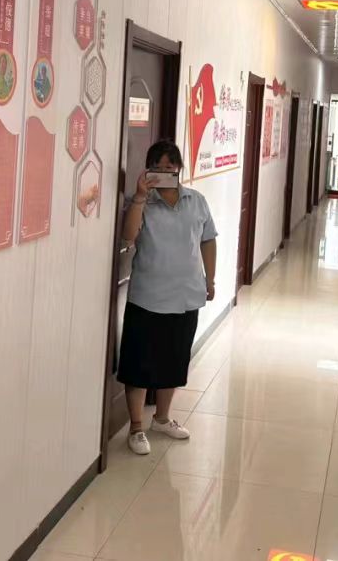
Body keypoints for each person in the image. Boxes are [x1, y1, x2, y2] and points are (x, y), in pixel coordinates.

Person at [119, 140, 218, 456]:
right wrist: (139, 196)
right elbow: (128, 235)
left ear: (179, 169)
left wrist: (210, 279)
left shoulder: (196, 201)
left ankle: (161, 419)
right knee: (139, 363)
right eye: (157, 167)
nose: (163, 173)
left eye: (169, 167)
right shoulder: (142, 202)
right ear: (148, 169)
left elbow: (208, 240)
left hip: (186, 296)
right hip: (147, 296)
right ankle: (136, 427)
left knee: (174, 361)